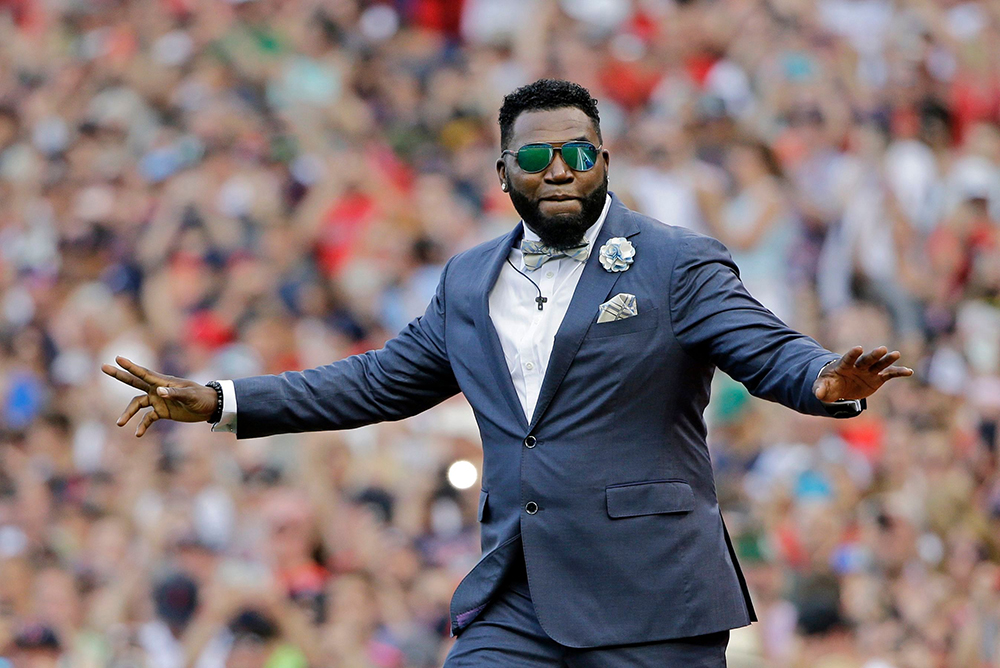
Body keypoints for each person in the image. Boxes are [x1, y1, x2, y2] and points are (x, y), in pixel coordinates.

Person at [103, 79, 912, 667]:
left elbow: (765, 346)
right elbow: (378, 382)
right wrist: (221, 400)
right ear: (502, 173)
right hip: (520, 593)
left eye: (577, 153)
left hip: (652, 598)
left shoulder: (675, 262)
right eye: (536, 155)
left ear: (604, 161)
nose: (557, 168)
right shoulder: (466, 281)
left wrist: (824, 381)